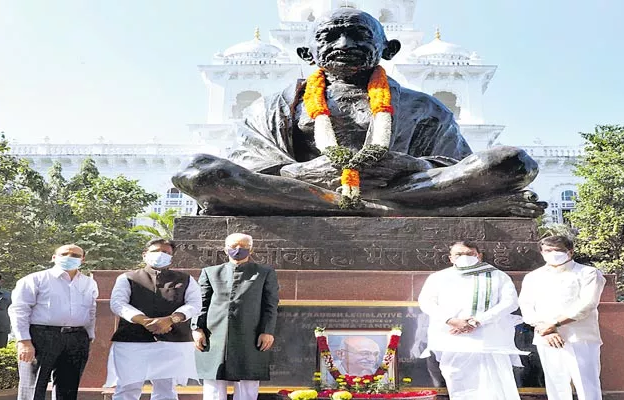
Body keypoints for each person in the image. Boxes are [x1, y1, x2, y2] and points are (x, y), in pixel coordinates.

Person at [173, 9, 545, 218]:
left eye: (359, 36)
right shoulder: (272, 106)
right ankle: (377, 209)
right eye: (330, 37)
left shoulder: (424, 107)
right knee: (200, 174)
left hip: (406, 186)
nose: (344, 45)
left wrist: (413, 166)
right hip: (304, 186)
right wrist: (296, 170)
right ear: (308, 54)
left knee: (512, 162)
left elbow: (457, 162)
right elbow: (248, 161)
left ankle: (362, 205)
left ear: (388, 48)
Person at [418, 241, 526, 400]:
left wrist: (479, 320)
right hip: (452, 337)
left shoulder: (497, 275)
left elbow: (510, 302)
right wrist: (451, 320)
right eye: (459, 254)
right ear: (451, 258)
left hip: (488, 338)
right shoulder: (439, 277)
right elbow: (426, 302)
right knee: (457, 379)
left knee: (494, 383)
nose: (464, 257)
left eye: (469, 254)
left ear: (479, 256)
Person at [105, 238, 201, 400]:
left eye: (166, 252)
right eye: (156, 251)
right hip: (133, 341)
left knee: (166, 391)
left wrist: (171, 319)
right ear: (145, 255)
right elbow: (118, 303)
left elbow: (195, 304)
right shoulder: (128, 278)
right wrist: (144, 321)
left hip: (172, 341)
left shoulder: (185, 279)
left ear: (172, 257)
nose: (161, 255)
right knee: (127, 388)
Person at [192, 233, 279, 400]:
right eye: (233, 246)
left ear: (251, 249)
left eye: (243, 246)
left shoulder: (264, 272)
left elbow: (270, 304)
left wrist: (267, 331)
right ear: (225, 249)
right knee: (214, 382)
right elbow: (201, 303)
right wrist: (197, 328)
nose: (238, 250)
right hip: (215, 334)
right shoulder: (210, 272)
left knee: (248, 382)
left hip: (250, 333)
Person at [519, 235, 606, 400]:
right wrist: (545, 329)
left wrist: (554, 324)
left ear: (570, 252)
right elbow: (526, 306)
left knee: (587, 384)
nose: (553, 253)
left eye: (558, 250)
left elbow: (587, 304)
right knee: (556, 385)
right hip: (547, 337)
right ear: (542, 253)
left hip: (580, 337)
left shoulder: (588, 273)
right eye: (548, 250)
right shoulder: (533, 277)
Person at [8, 244, 98, 400]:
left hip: (77, 338)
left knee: (68, 388)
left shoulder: (88, 283)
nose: (70, 257)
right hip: (41, 336)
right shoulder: (35, 279)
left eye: (76, 255)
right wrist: (23, 341)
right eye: (64, 254)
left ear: (83, 259)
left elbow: (91, 310)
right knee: (33, 388)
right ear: (54, 257)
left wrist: (89, 335)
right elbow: (19, 310)